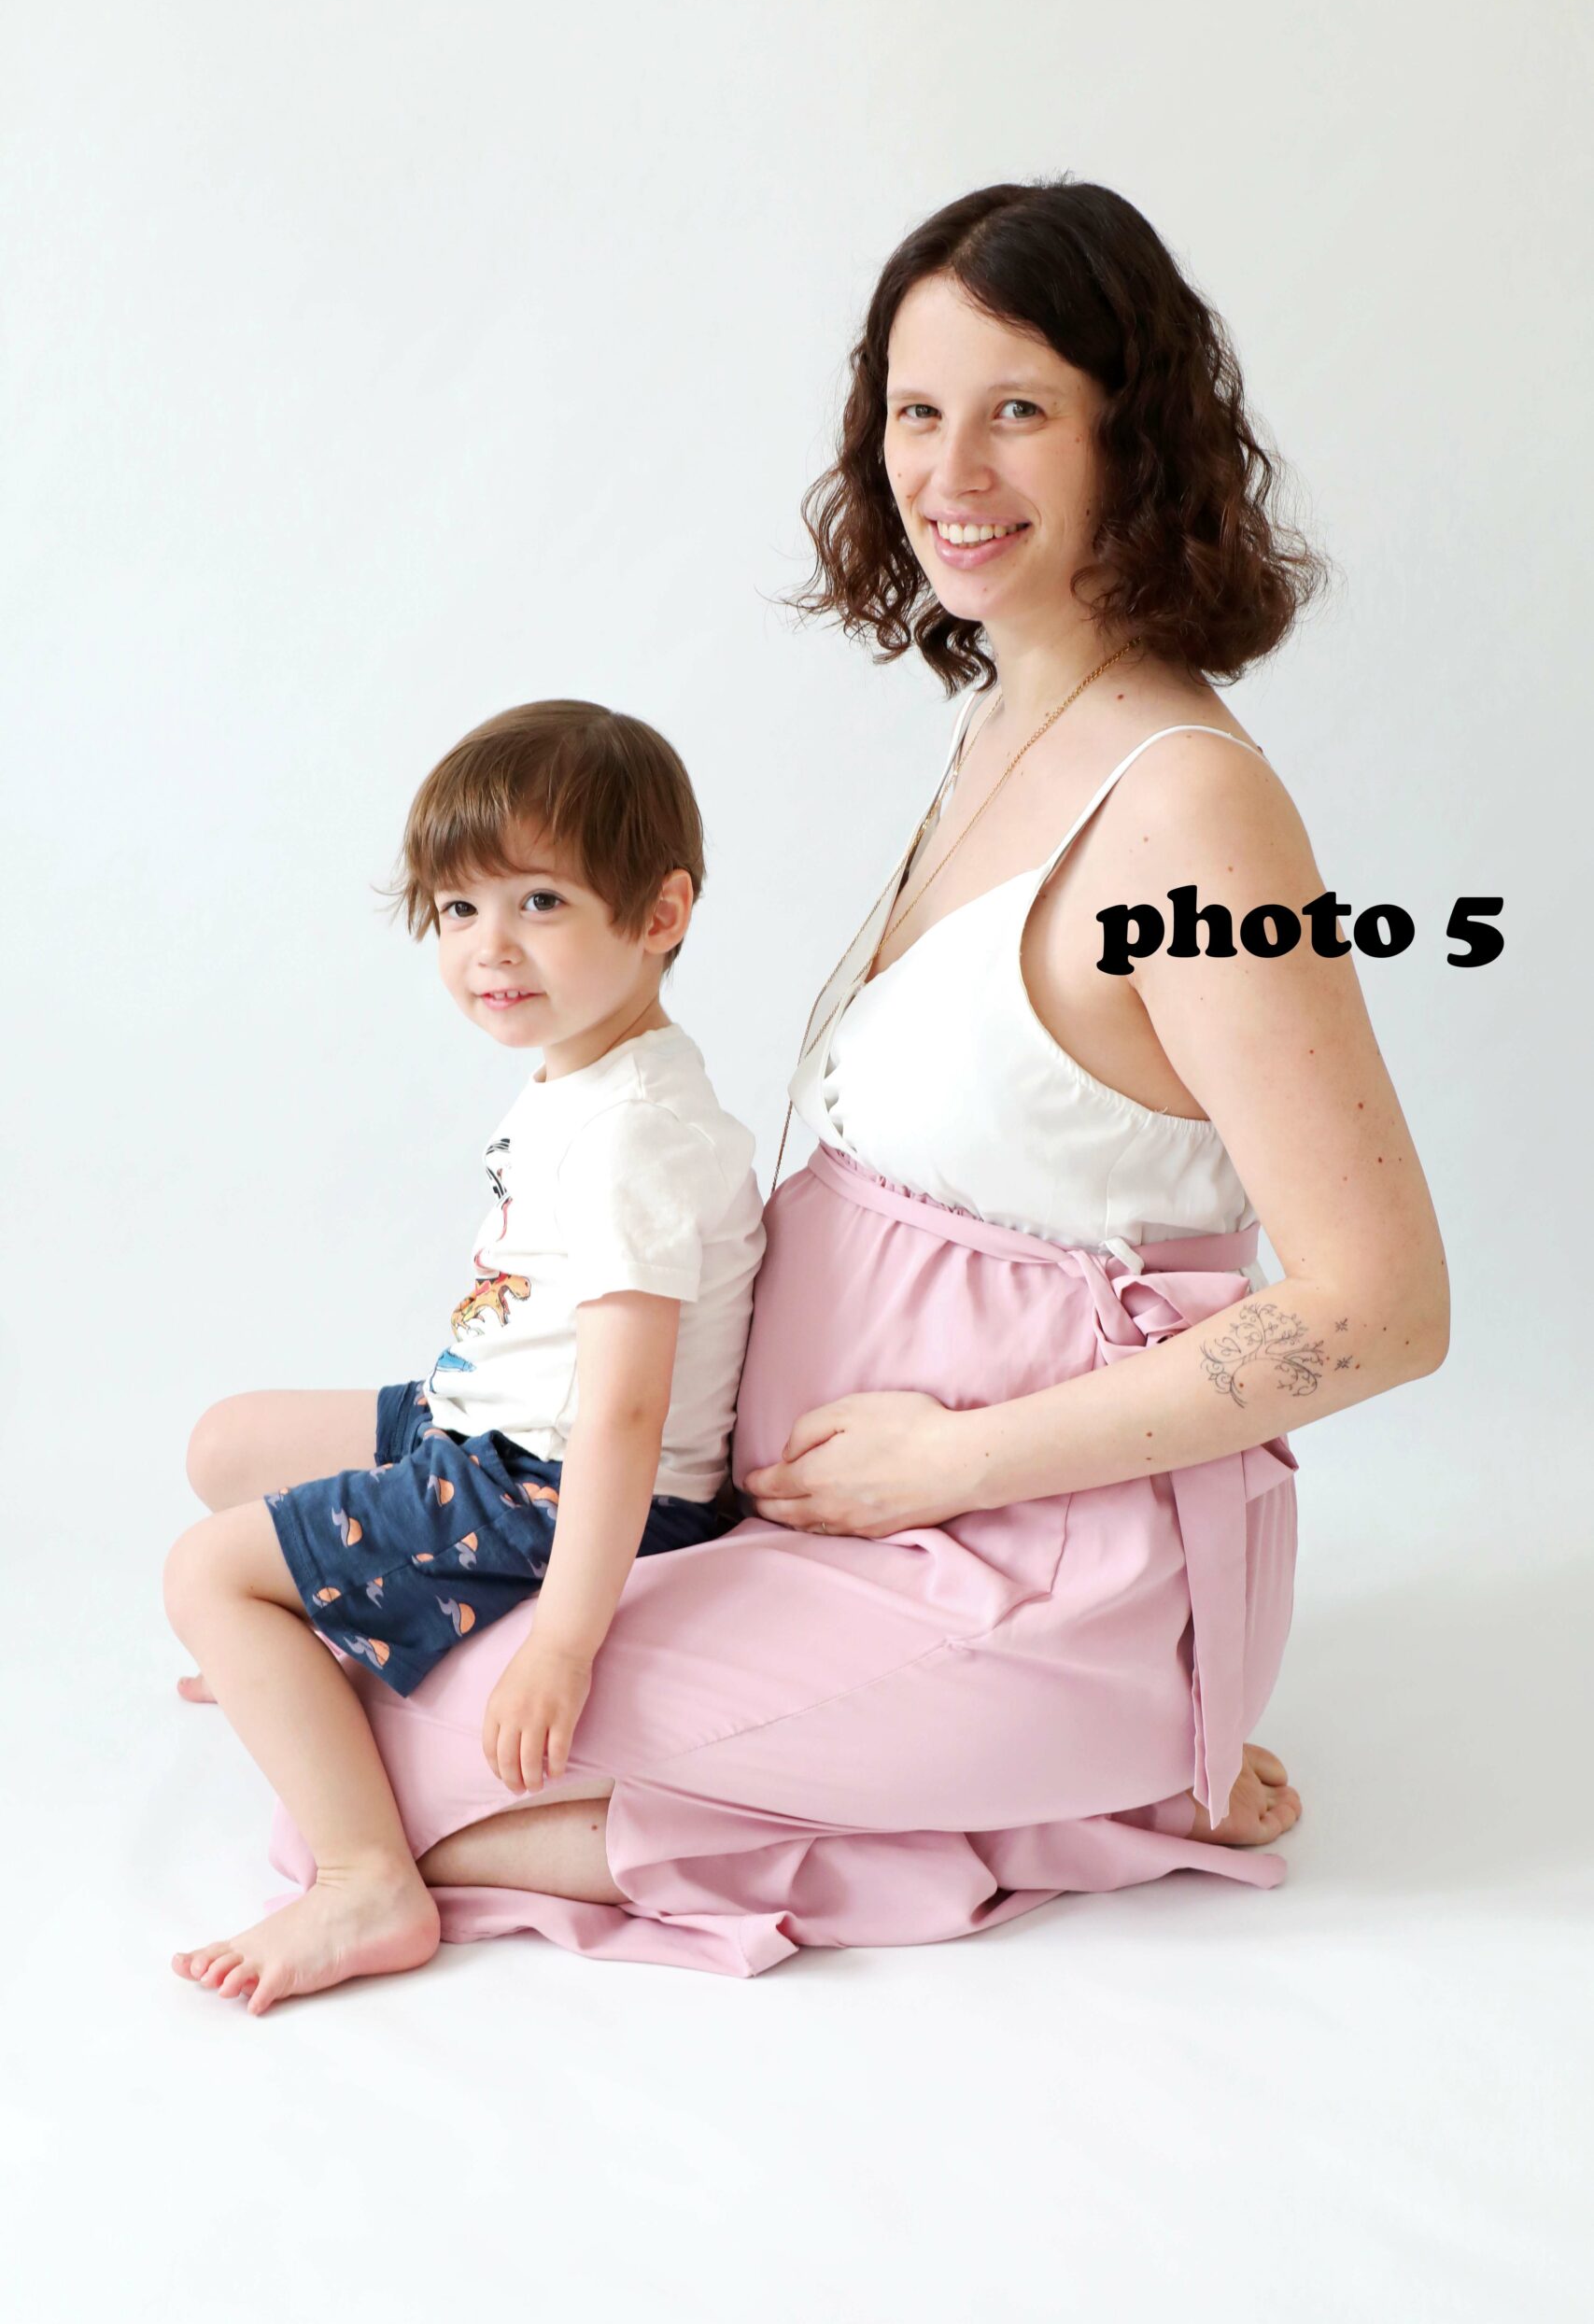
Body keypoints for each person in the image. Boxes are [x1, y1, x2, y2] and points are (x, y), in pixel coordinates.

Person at [191, 176, 1449, 1997]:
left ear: (1134, 433)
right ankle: (998, 1771)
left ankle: (1092, 1790)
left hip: (1027, 1565)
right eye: (915, 411)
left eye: (1017, 409)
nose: (950, 468)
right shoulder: (1005, 717)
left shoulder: (1192, 809)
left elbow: (1378, 1303)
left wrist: (953, 1459)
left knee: (377, 1762)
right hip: (813, 1507)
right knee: (327, 1634)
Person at [164, 700, 766, 2011]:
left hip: (548, 1483)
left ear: (660, 915)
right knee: (228, 1446)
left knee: (207, 1571)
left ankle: (363, 1880)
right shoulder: (583, 1069)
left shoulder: (636, 1136)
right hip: (485, 1423)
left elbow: (623, 1418)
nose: (489, 946)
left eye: (539, 902)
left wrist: (565, 1643)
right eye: (456, 908)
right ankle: (311, 1657)